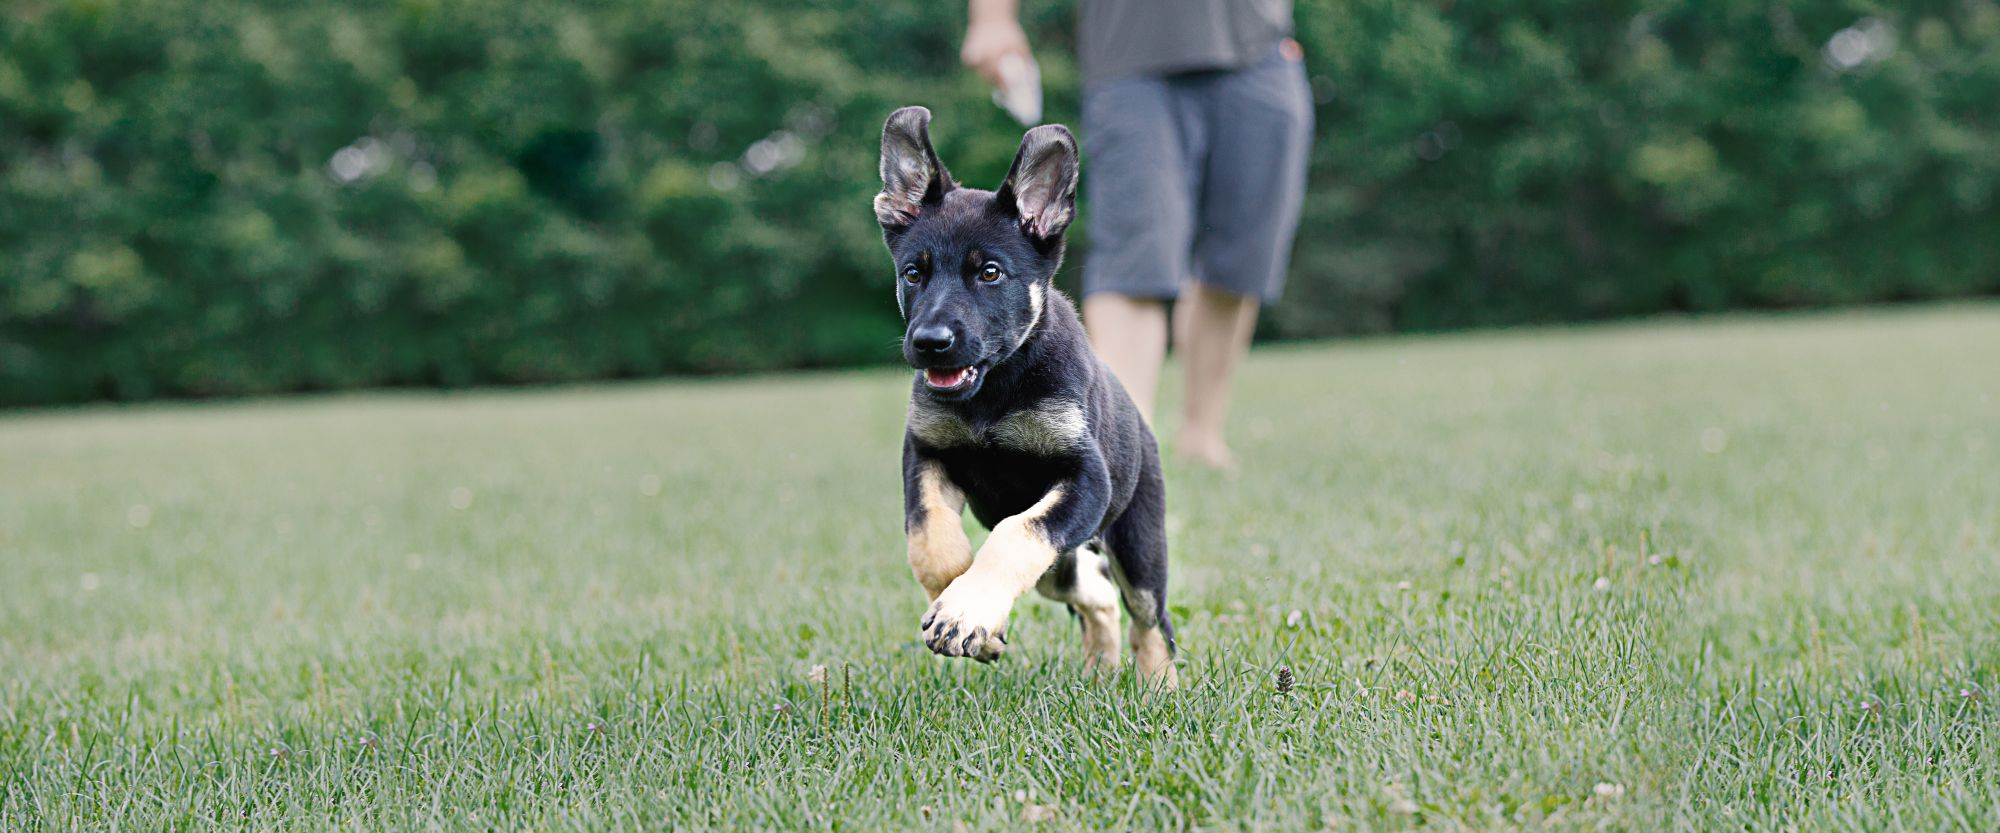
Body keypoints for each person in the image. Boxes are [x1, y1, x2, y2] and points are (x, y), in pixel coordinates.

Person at [962, 0, 1312, 470]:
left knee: (1240, 263)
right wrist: (993, 19)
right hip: (1131, 62)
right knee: (1135, 261)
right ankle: (1121, 442)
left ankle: (1202, 436)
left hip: (1261, 52)